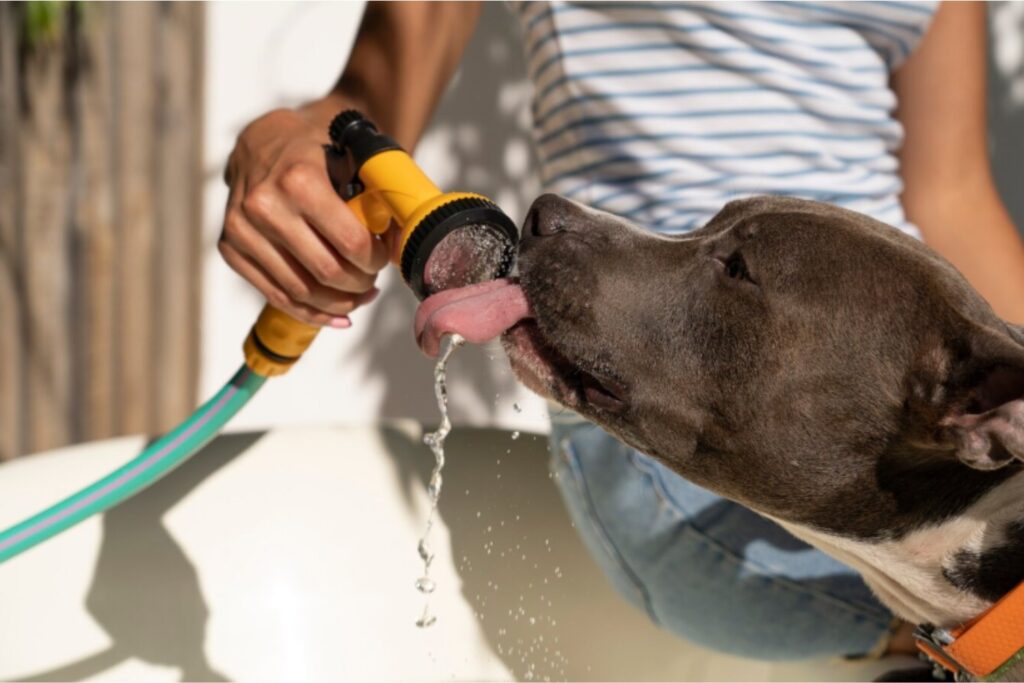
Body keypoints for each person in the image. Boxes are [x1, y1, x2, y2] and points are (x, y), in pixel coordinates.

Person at [218, 1, 1024, 661]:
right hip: (684, 416)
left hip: (890, 402)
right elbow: (369, 89)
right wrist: (293, 138)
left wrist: (1005, 402)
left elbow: (950, 196)